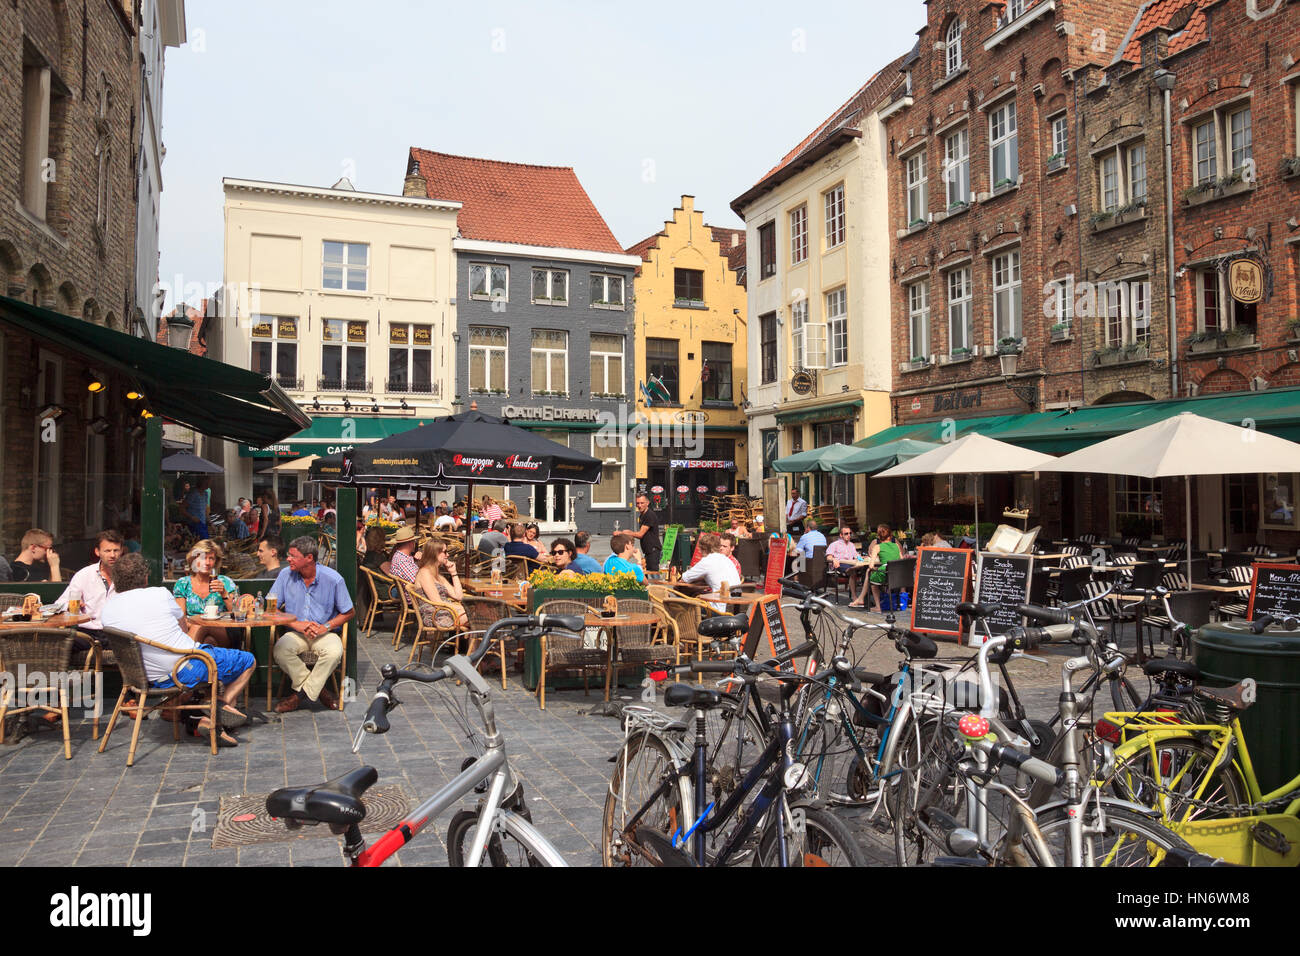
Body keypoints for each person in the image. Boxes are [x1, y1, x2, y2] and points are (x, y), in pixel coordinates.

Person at [103, 553, 254, 748]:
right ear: (145, 577)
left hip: (144, 678)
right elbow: (183, 627)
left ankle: (206, 718)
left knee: (210, 666)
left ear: (116, 580)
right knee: (247, 660)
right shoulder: (159, 594)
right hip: (183, 668)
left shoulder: (107, 609)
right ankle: (217, 708)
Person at [270, 537, 355, 713]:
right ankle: (320, 691)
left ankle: (298, 696)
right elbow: (272, 610)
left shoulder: (333, 579)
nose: (288, 559)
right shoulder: (285, 575)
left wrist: (326, 627)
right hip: (296, 632)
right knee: (280, 650)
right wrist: (296, 624)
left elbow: (349, 612)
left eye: (293, 556)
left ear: (309, 558)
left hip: (324, 633)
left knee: (334, 651)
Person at [55, 529, 123, 651]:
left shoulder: (126, 575)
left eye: (116, 550)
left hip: (117, 634)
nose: (112, 555)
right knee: (60, 644)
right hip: (88, 633)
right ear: (97, 552)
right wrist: (71, 606)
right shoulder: (84, 575)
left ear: (121, 551)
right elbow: (59, 604)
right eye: (107, 551)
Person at [173, 540, 240, 648]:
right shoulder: (183, 584)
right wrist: (198, 625)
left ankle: (188, 659)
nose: (207, 563)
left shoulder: (225, 582)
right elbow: (181, 618)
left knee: (201, 627)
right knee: (209, 641)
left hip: (222, 630)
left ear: (215, 562)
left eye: (211, 558)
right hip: (192, 629)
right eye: (203, 558)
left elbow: (237, 614)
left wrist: (224, 594)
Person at [680, 533, 741, 613]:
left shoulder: (707, 561)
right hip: (734, 607)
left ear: (703, 549)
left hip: (717, 609)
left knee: (681, 603)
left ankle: (686, 624)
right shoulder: (726, 559)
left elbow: (684, 578)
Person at [413, 541, 467, 629]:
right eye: (445, 552)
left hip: (447, 611)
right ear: (435, 553)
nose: (448, 555)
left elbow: (458, 596)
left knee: (479, 619)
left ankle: (476, 642)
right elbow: (437, 603)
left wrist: (453, 573)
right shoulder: (425, 573)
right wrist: (462, 608)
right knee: (477, 619)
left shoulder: (438, 576)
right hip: (435, 615)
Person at [850, 525, 902, 611]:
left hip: (887, 574)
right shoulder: (896, 545)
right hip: (898, 575)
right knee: (872, 573)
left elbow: (871, 565)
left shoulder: (877, 547)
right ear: (890, 536)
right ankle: (861, 598)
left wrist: (876, 568)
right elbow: (901, 559)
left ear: (878, 536)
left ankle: (877, 606)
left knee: (871, 574)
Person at [827, 526, 865, 595]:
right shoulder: (834, 544)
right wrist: (833, 559)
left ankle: (865, 596)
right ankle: (854, 597)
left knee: (866, 569)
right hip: (840, 565)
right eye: (846, 534)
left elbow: (856, 556)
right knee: (853, 572)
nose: (849, 535)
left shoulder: (851, 545)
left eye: (850, 533)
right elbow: (828, 557)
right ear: (841, 535)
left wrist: (863, 558)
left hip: (851, 564)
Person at [630, 493, 663, 571]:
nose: (639, 505)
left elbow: (640, 534)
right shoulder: (642, 515)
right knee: (647, 573)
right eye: (638, 503)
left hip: (653, 550)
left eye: (642, 503)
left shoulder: (649, 515)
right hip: (648, 551)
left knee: (653, 575)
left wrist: (627, 533)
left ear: (647, 503)